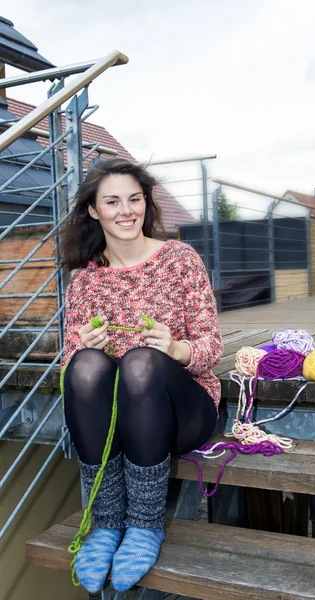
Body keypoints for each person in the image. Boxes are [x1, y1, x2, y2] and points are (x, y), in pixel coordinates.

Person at [60, 158, 223, 594]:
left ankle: (146, 525)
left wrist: (176, 349)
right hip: (120, 420)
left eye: (134, 199)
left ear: (145, 203)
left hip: (184, 412)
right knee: (86, 365)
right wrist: (83, 348)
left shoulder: (180, 259)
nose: (125, 210)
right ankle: (108, 523)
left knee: (141, 361)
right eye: (112, 201)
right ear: (94, 210)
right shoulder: (85, 281)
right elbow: (71, 372)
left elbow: (212, 347)